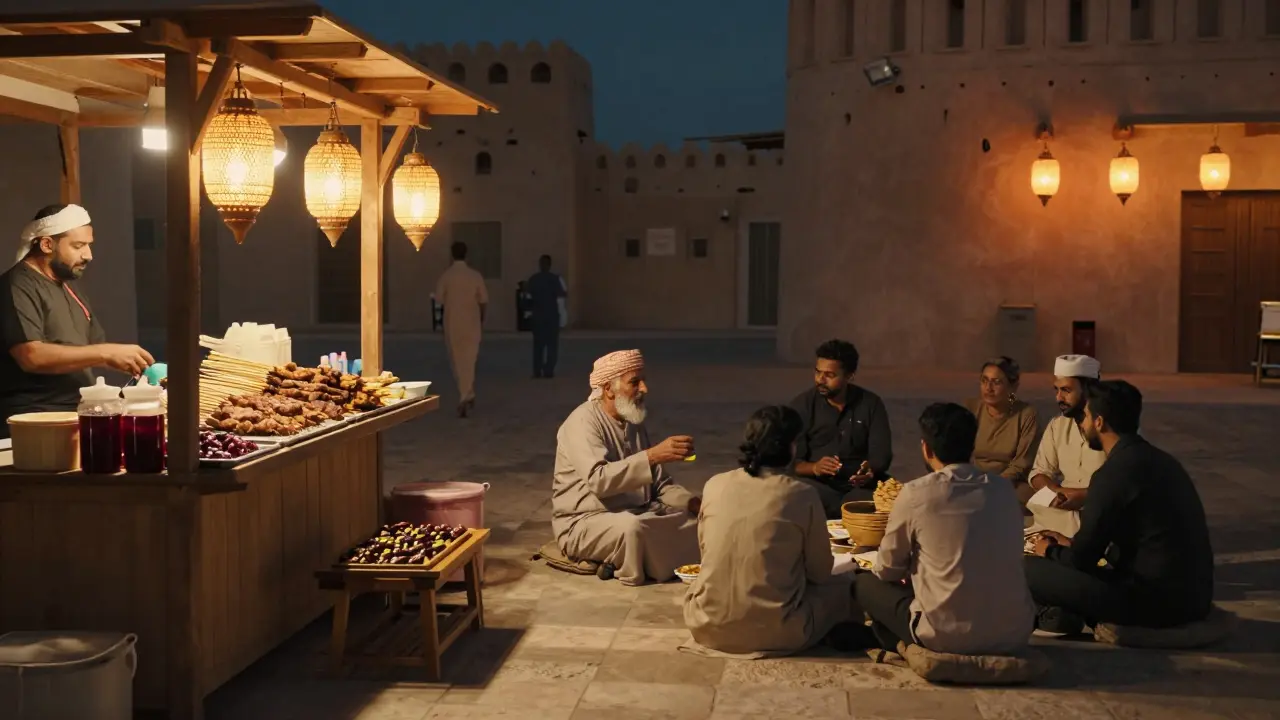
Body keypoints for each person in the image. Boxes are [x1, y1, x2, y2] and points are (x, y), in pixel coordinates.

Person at [1026, 381, 1214, 635]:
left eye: (1086, 417)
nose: (1081, 424)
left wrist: (1049, 550)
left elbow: (1081, 561)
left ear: (1100, 423)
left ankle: (1054, 615)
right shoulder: (1162, 461)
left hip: (1155, 604)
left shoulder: (1112, 474)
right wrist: (1069, 545)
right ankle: (1061, 612)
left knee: (1028, 568)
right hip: (1193, 601)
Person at [855, 402, 1034, 655]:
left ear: (926, 448)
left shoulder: (917, 493)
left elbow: (887, 570)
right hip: (1013, 633)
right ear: (972, 446)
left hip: (945, 636)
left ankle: (886, 636)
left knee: (864, 584)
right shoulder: (1003, 490)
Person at [684, 405, 852, 657]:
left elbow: (706, 551)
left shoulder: (714, 484)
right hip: (779, 632)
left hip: (706, 626)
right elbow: (819, 572)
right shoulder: (801, 494)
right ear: (791, 447)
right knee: (843, 586)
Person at [0, 204, 153, 439]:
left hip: (75, 416)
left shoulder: (70, 290)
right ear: (47, 244)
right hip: (35, 424)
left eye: (88, 245)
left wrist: (129, 363)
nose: (88, 255)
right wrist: (105, 353)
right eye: (78, 246)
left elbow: (92, 349)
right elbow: (31, 356)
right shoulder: (17, 285)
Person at [551, 350, 700, 586]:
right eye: (634, 382)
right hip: (585, 522)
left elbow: (659, 485)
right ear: (609, 389)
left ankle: (650, 559)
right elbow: (599, 480)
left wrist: (692, 503)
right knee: (634, 529)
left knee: (694, 521)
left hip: (638, 511)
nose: (644, 389)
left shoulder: (632, 420)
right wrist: (651, 456)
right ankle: (643, 561)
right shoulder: (581, 423)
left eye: (643, 381)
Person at [790, 339, 893, 519]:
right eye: (817, 372)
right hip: (818, 485)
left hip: (859, 487)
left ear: (849, 376)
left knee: (889, 498)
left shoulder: (870, 404)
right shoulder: (802, 405)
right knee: (797, 494)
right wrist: (815, 467)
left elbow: (881, 454)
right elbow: (791, 462)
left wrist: (869, 470)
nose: (820, 380)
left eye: (829, 375)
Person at [1026, 354, 1106, 535]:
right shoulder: (1057, 425)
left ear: (1088, 390)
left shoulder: (1113, 426)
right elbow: (1039, 473)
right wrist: (1058, 493)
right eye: (1056, 390)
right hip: (1063, 507)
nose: (1058, 398)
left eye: (1066, 390)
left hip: (1101, 507)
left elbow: (1126, 482)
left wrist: (1085, 496)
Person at [965, 356, 1039, 503]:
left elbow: (1021, 464)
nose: (988, 388)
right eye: (984, 381)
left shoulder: (1026, 414)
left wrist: (995, 485)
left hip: (1010, 483)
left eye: (996, 382)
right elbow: (958, 452)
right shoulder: (972, 409)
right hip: (973, 478)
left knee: (1031, 498)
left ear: (1013, 387)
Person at [434, 241, 488, 418]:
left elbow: (439, 299)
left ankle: (464, 395)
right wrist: (481, 319)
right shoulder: (475, 275)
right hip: (472, 322)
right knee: (470, 359)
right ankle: (468, 393)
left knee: (457, 360)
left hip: (453, 323)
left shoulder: (447, 276)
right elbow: (483, 301)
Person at [525, 254, 565, 379]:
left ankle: (537, 371)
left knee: (538, 346)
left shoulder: (534, 279)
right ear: (549, 265)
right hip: (551, 315)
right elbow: (562, 293)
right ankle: (549, 370)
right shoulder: (555, 279)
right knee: (552, 345)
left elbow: (527, 294)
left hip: (538, 315)